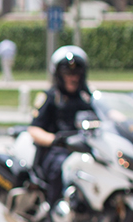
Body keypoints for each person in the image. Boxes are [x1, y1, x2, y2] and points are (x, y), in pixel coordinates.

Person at [26, 45, 95, 213]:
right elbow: (34, 129)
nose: (73, 78)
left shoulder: (87, 98)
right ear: (58, 75)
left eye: (77, 73)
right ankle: (53, 213)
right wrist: (55, 139)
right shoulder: (50, 97)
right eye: (68, 73)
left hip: (82, 148)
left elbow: (108, 115)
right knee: (59, 168)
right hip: (57, 150)